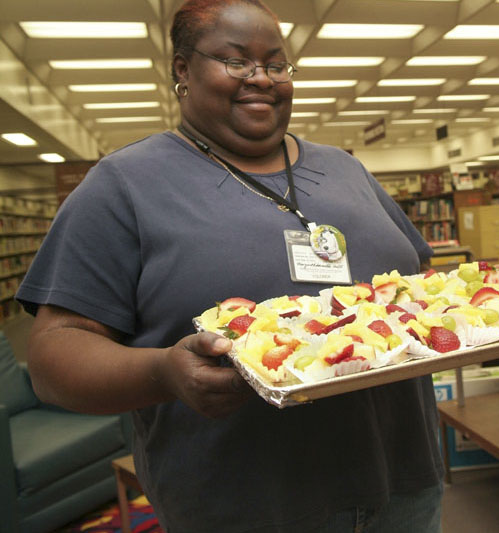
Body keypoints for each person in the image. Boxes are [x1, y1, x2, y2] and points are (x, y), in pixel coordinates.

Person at [17, 1, 443, 531]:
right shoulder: (123, 185)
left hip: (405, 486)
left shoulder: (347, 169)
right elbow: (53, 357)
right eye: (236, 61)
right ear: (182, 69)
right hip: (245, 507)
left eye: (276, 64)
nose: (261, 79)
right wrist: (163, 372)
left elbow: (425, 291)